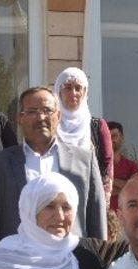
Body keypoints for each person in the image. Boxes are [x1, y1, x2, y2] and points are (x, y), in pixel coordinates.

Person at [0, 87, 107, 260]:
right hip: (18, 264)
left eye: (47, 110)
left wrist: (99, 264)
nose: (41, 117)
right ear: (20, 118)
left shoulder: (84, 161)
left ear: (59, 116)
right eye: (32, 111)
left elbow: (97, 220)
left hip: (73, 263)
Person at [54, 68, 113, 203]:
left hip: (88, 197)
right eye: (68, 88)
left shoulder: (97, 126)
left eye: (78, 88)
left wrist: (102, 201)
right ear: (59, 91)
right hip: (55, 197)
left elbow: (107, 165)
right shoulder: (51, 125)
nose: (73, 93)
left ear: (85, 92)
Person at [107, 121, 138, 212]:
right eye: (108, 137)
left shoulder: (131, 166)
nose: (111, 140)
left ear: (122, 137)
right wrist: (124, 185)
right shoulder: (98, 164)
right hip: (103, 215)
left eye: (114, 136)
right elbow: (97, 189)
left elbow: (134, 189)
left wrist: (107, 180)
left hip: (126, 215)